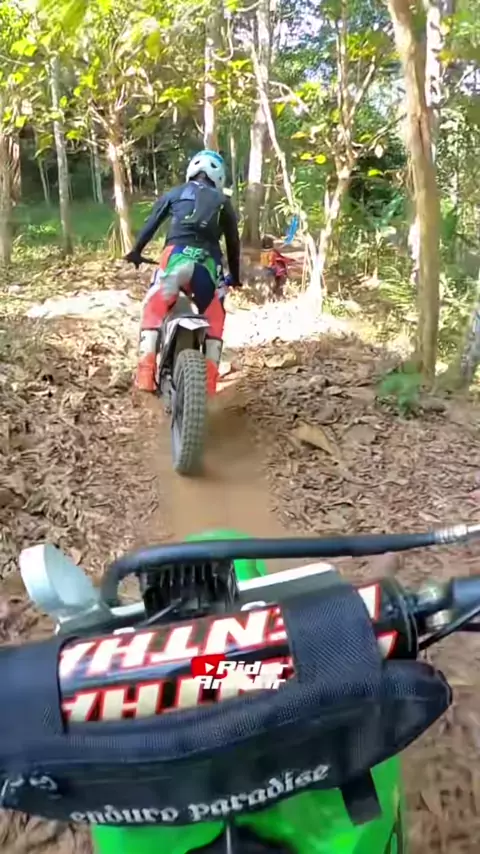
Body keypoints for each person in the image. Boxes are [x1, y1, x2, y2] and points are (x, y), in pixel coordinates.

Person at [124, 150, 241, 395]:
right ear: (219, 178)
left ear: (191, 171)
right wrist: (235, 277)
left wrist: (136, 251)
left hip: (174, 256)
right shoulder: (223, 202)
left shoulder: (175, 193)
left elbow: (151, 224)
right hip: (207, 264)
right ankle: (209, 385)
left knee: (154, 305)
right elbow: (233, 244)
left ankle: (145, 374)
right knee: (215, 316)